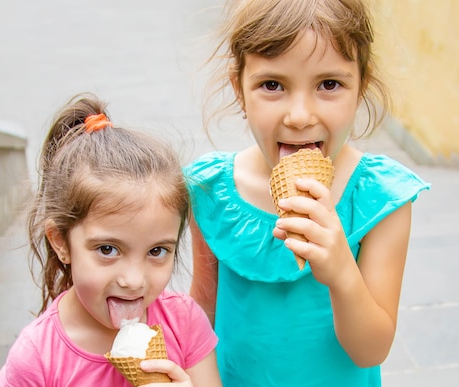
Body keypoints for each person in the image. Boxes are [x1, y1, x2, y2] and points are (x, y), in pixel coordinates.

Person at [184, 0, 430, 386]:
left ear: (361, 86)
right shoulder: (210, 191)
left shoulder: (382, 200)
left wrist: (341, 273)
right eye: (272, 85)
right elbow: (200, 314)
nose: (299, 116)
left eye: (329, 84)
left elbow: (371, 350)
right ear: (239, 89)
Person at [0, 93, 222, 386]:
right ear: (61, 242)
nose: (133, 280)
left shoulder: (184, 322)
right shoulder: (36, 358)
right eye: (108, 249)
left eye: (156, 251)